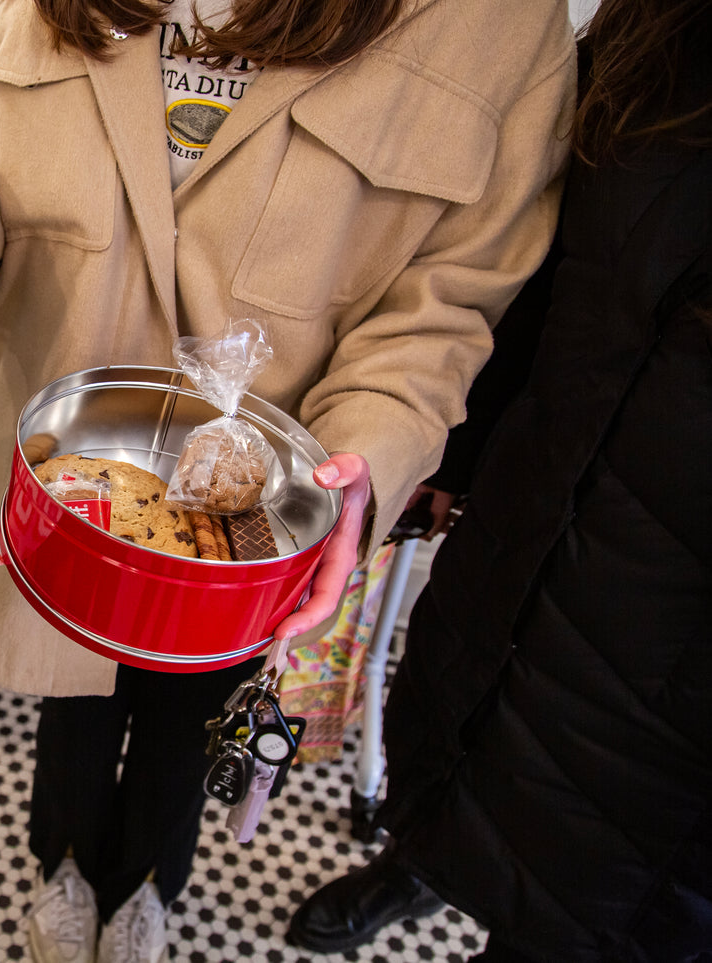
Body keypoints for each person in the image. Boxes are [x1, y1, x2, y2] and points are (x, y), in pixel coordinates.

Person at [0, 0, 578, 957]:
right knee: (66, 685)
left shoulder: (501, 27)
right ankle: (59, 863)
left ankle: (153, 880)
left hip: (263, 491)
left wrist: (370, 449)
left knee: (191, 710)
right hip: (58, 455)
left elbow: (445, 303)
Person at [285, 0, 712, 959]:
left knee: (596, 904)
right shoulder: (661, 30)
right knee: (472, 756)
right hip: (532, 525)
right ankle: (425, 860)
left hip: (674, 673)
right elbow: (548, 260)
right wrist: (451, 453)